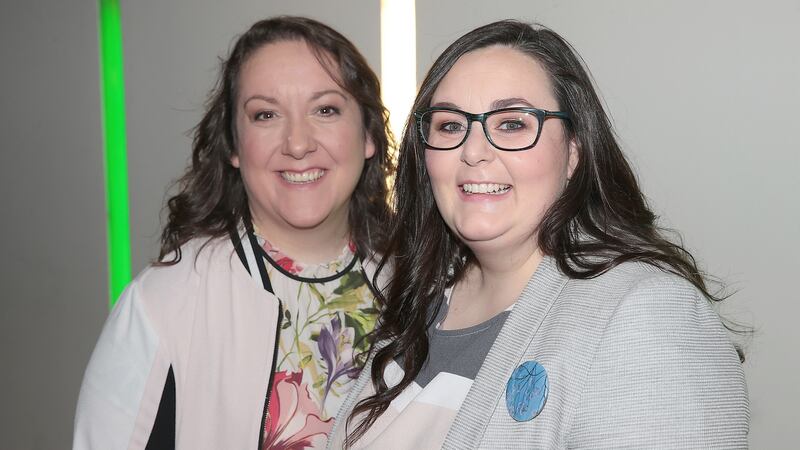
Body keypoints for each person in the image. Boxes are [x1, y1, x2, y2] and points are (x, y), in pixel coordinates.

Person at [329, 20, 749, 449]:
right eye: (451, 125)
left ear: (573, 153)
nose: (473, 151)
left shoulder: (644, 316)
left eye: (512, 123)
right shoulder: (418, 294)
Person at [74, 16, 393, 449]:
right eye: (266, 114)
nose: (297, 143)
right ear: (234, 146)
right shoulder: (166, 300)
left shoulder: (423, 291)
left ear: (368, 135)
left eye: (325, 110)